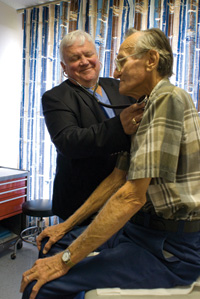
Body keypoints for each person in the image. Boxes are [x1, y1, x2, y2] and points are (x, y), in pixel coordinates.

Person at [21, 28, 200, 299]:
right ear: (64, 67)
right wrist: (66, 226)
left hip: (168, 246)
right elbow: (117, 177)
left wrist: (64, 262)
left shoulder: (166, 99)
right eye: (74, 58)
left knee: (45, 283)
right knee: (50, 245)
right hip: (138, 229)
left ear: (151, 60)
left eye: (123, 62)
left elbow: (130, 196)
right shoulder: (147, 103)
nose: (116, 73)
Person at [42, 29, 144, 222]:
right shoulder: (56, 97)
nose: (84, 61)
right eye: (75, 58)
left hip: (122, 195)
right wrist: (119, 126)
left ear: (98, 57)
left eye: (88, 54)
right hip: (82, 201)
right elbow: (68, 142)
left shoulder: (118, 86)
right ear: (64, 67)